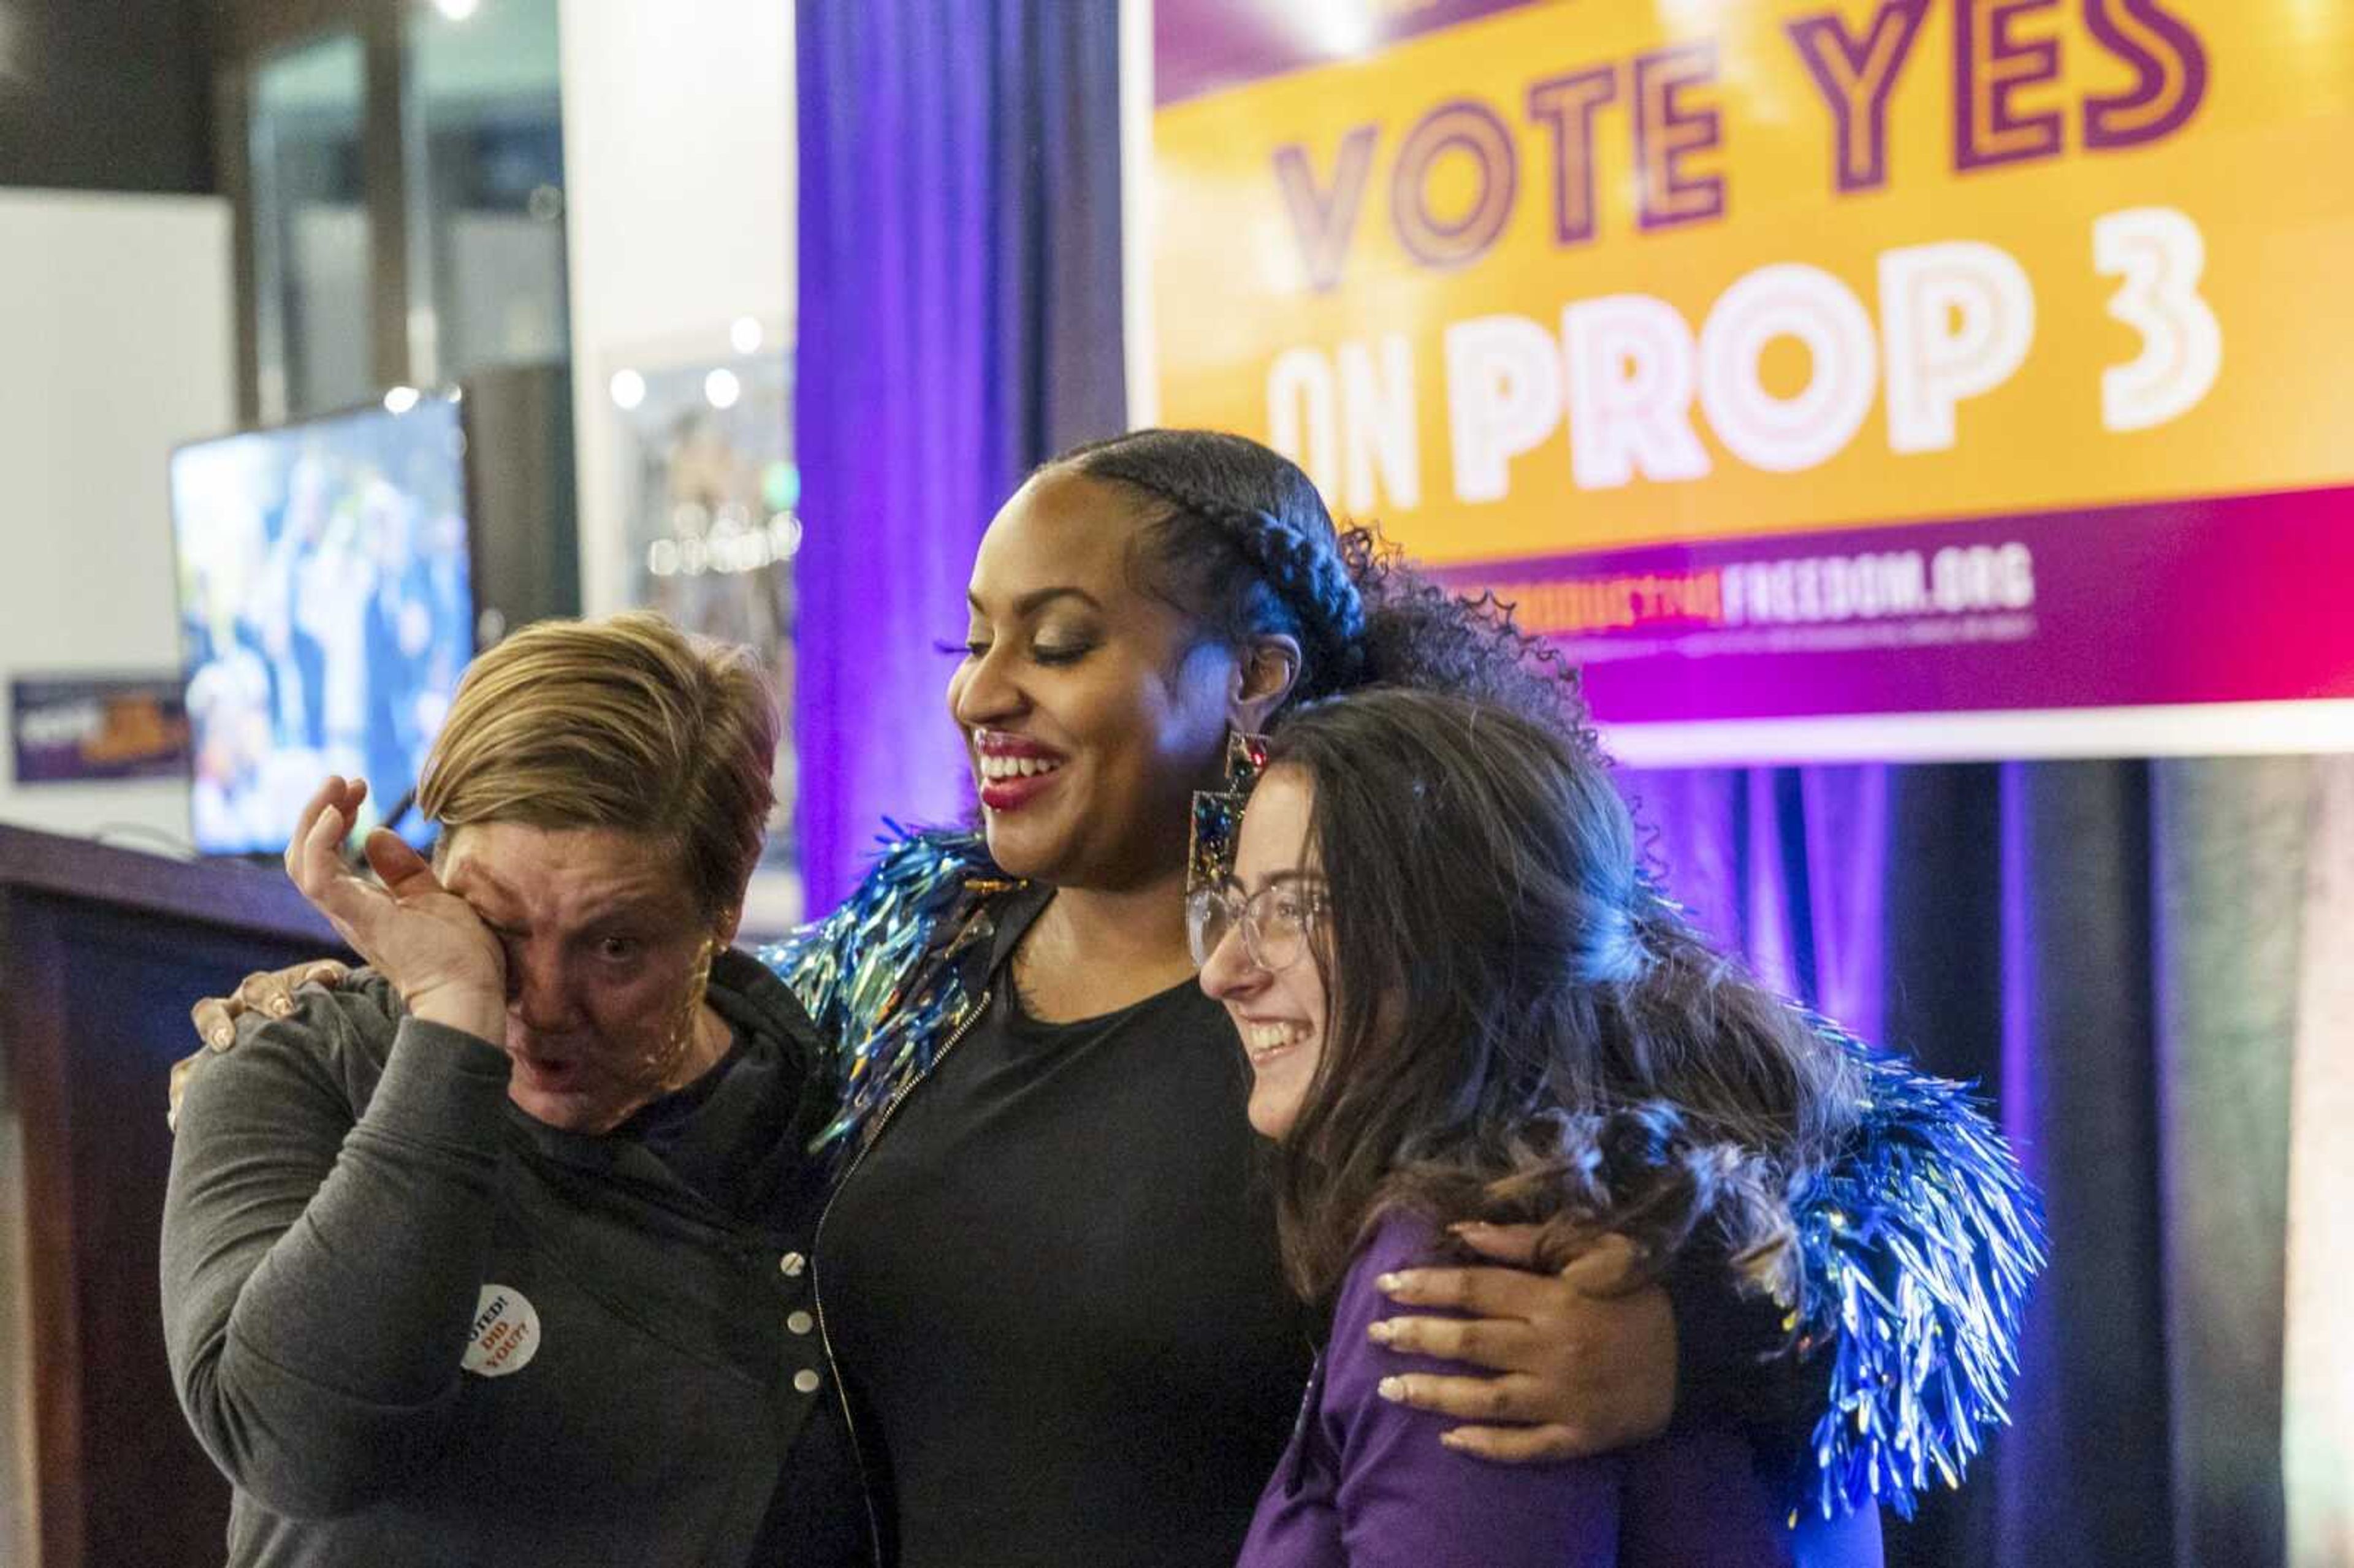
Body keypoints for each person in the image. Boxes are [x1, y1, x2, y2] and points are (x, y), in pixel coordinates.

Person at [179, 430, 2040, 1566]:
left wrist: (1729, 1326)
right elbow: (645, 1024)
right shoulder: (903, 967)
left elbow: (1932, 1171)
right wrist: (372, 1008)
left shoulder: (1414, 981)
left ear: (1252, 680)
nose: (985, 690)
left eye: (1054, 642)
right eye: (971, 638)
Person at [161, 612, 867, 1567]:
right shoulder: (299, 1067)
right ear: (431, 874)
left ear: (725, 906)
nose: (540, 1004)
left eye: (614, 945)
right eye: (495, 928)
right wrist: (453, 1016)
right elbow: (298, 1448)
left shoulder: (819, 1128)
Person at [1199, 687, 1893, 1566]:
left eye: (1295, 908)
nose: (1223, 971)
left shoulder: (1470, 1272)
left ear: (1454, 931)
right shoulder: (1671, 1193)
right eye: (1229, 909)